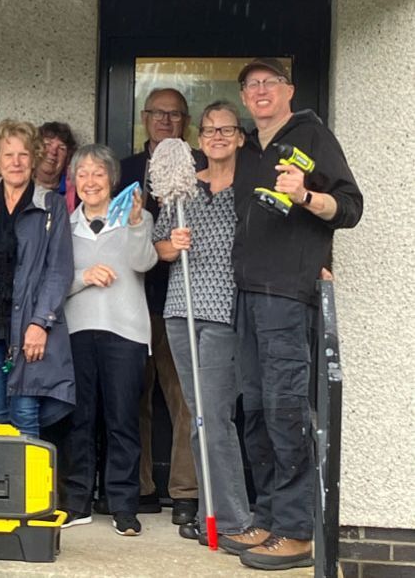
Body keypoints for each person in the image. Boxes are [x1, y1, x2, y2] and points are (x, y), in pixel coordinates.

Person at [232, 58, 363, 570]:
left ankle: (297, 530)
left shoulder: (312, 136)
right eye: (252, 86)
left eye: (270, 83)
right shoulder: (249, 147)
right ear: (244, 98)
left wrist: (306, 195)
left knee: (286, 408)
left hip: (287, 293)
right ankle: (267, 516)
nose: (261, 91)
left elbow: (351, 207)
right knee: (257, 409)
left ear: (289, 90)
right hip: (247, 291)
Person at [153, 101, 260, 553]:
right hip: (181, 309)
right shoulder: (182, 191)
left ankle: (233, 517)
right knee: (197, 417)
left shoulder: (249, 189)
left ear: (239, 138)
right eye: (210, 130)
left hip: (224, 312)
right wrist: (171, 246)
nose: (217, 137)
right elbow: (158, 248)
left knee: (214, 416)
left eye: (227, 130)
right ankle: (207, 515)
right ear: (200, 140)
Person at [0, 119, 75, 439]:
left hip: (28, 326)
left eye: (23, 154)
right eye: (8, 155)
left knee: (24, 411)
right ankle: (3, 489)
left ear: (34, 159)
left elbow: (59, 270)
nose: (16, 162)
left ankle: (30, 491)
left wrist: (40, 323)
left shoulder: (50, 205)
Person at [60, 144, 156, 536]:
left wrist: (134, 224)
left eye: (98, 173)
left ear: (112, 179)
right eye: (82, 174)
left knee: (122, 421)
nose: (90, 181)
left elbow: (143, 262)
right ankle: (77, 501)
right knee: (79, 421)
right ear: (74, 182)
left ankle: (123, 506)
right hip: (77, 332)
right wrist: (85, 277)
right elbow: (51, 284)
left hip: (126, 332)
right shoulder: (63, 227)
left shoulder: (138, 217)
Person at [118, 88, 199, 524]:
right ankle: (140, 487)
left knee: (185, 396)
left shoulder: (200, 167)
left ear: (186, 121)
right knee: (134, 397)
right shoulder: (126, 170)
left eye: (174, 115)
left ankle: (185, 491)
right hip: (135, 298)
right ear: (145, 118)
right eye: (158, 114)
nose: (166, 121)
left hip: (187, 300)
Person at [36, 121, 79, 211]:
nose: (53, 152)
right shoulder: (20, 187)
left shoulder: (77, 194)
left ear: (68, 158)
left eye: (61, 148)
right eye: (47, 144)